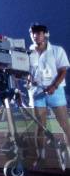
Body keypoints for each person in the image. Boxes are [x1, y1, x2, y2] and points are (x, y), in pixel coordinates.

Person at [27, 23, 70, 167]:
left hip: (55, 91)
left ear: (45, 34)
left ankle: (69, 154)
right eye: (33, 33)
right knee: (40, 127)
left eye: (39, 33)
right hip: (37, 93)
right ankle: (41, 157)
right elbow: (26, 73)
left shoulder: (57, 51)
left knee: (64, 125)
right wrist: (27, 78)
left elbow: (63, 70)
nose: (35, 36)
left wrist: (54, 86)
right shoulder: (28, 53)